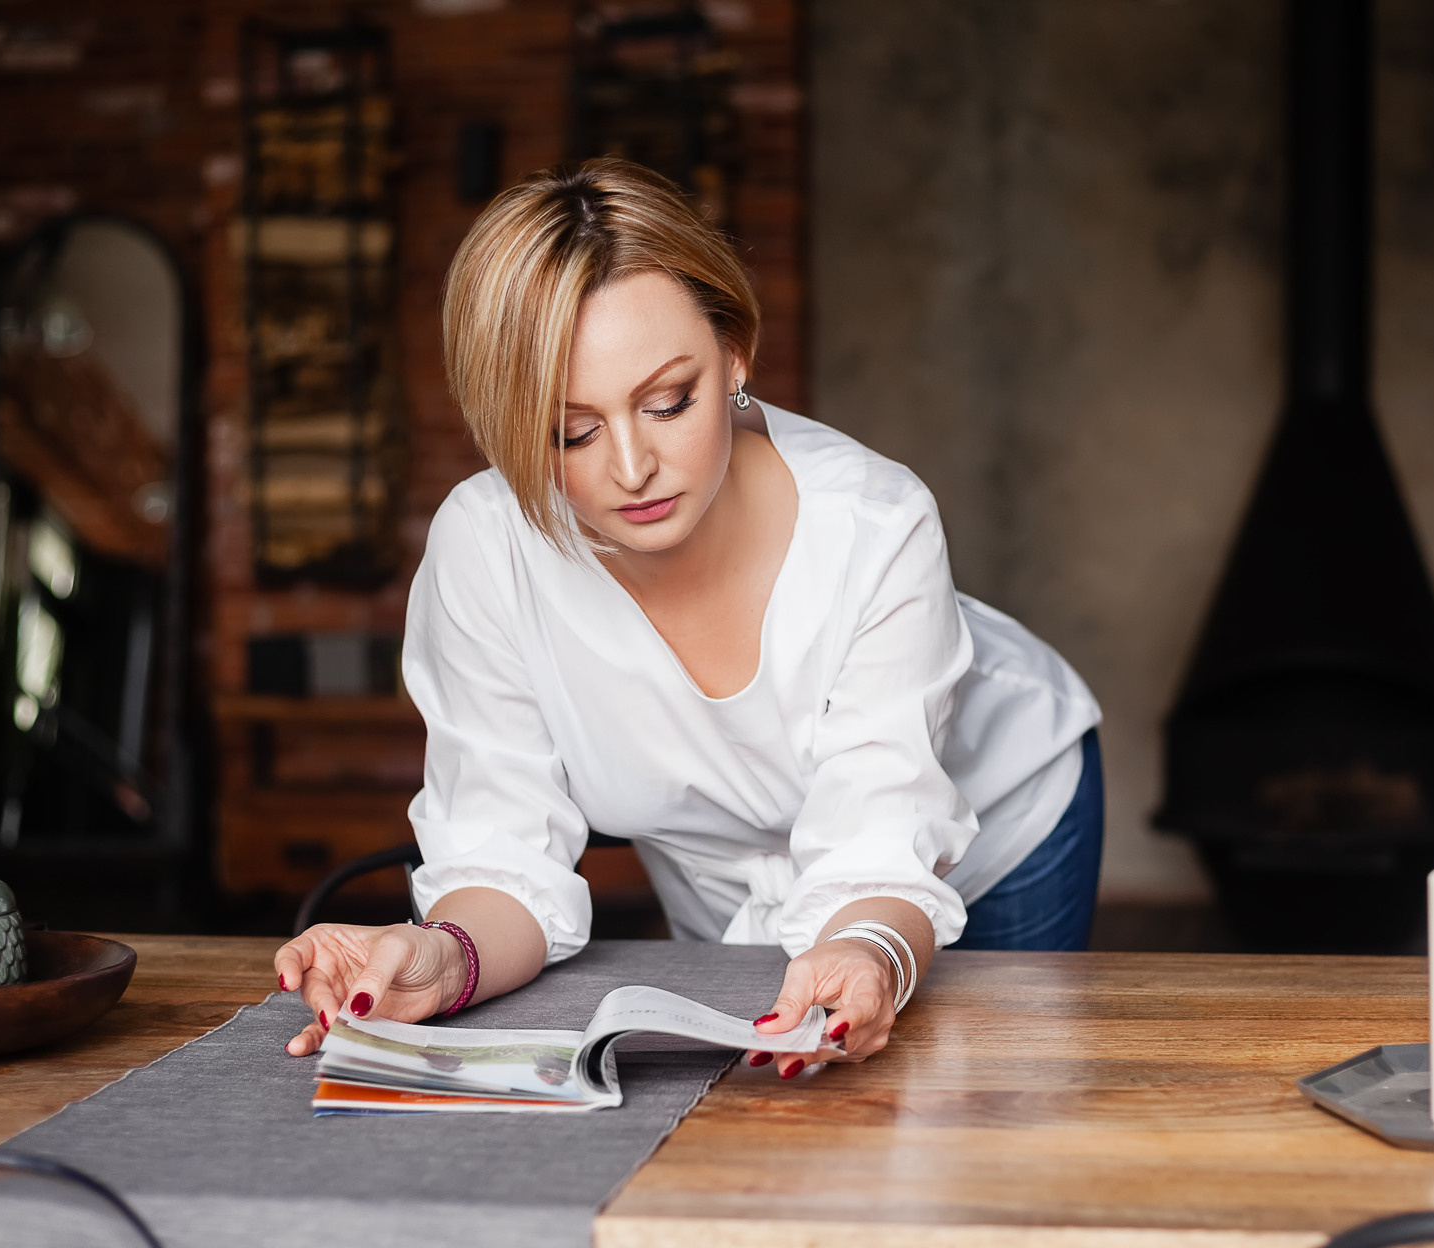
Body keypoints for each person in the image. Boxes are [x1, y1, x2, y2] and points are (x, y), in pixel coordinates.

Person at [276, 159, 1101, 1076]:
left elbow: (879, 837)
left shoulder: (876, 524)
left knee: (982, 1118)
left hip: (997, 825)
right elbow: (504, 854)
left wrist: (869, 950)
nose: (633, 467)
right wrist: (443, 955)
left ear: (734, 354)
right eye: (570, 431)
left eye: (669, 402)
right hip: (734, 881)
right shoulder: (486, 549)